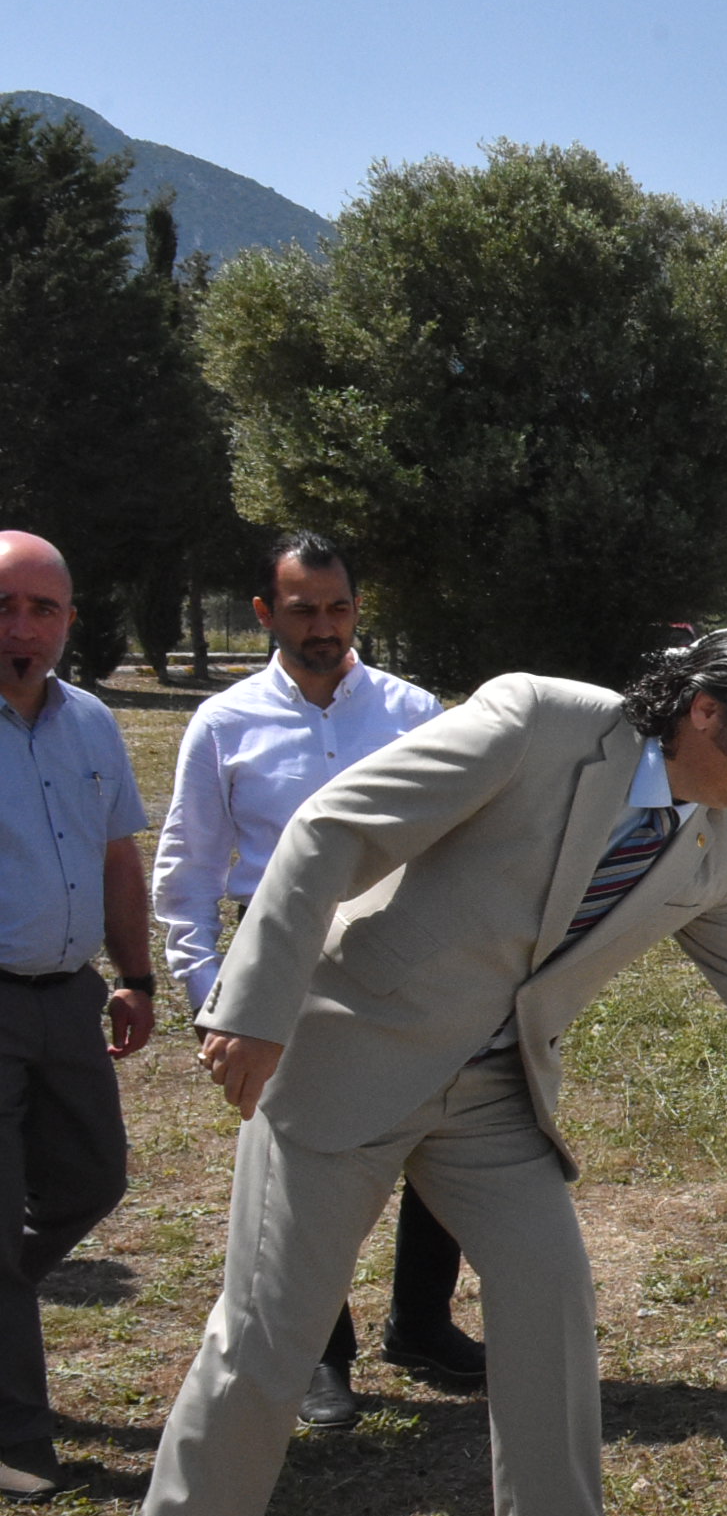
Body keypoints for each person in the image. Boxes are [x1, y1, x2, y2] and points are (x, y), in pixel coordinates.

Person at [107, 629, 727, 1516]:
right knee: (271, 1329)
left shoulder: (724, 839)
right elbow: (332, 827)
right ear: (705, 710)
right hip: (349, 1050)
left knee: (549, 1293)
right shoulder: (537, 723)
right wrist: (253, 1005)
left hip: (490, 1091)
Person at [151, 532, 474, 1432]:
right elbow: (190, 865)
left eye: (338, 609)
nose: (324, 628)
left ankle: (421, 1323)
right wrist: (211, 993)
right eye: (302, 611)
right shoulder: (225, 724)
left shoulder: (415, 712)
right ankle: (321, 1354)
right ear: (266, 612)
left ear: (358, 608)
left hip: (403, 952)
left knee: (434, 1134)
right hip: (280, 961)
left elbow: (460, 842)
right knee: (300, 1161)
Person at [0, 532, 156, 1503]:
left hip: (70, 996)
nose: (21, 627)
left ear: (68, 620)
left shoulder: (90, 721)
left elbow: (115, 859)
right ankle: (18, 1447)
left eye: (42, 608)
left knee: (94, 1177)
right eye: (3, 606)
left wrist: (136, 976)